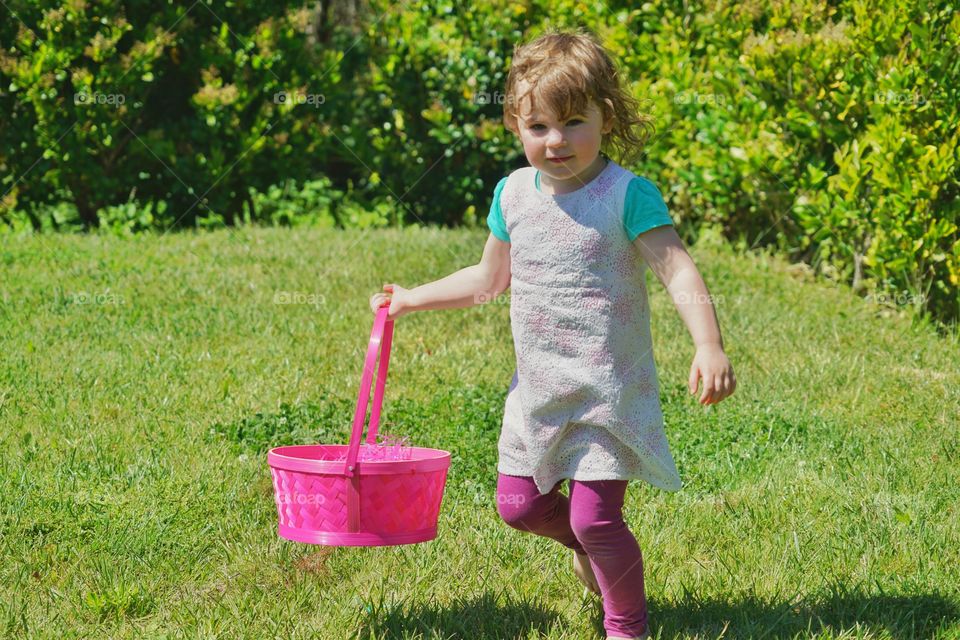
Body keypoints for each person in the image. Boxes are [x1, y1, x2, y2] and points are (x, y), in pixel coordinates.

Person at [369, 27, 736, 640]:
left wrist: (708, 343)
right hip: (538, 389)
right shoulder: (513, 194)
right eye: (538, 127)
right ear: (516, 125)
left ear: (606, 117)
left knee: (597, 520)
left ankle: (627, 625)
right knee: (518, 506)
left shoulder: (625, 195)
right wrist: (412, 299)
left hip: (607, 392)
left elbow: (678, 270)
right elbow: (488, 279)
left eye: (574, 122)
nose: (556, 141)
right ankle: (588, 548)